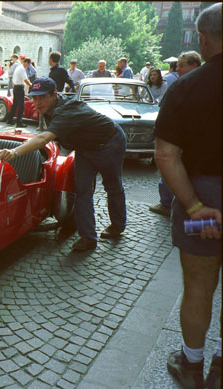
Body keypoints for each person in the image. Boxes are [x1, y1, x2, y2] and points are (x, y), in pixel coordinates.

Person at [155, 4, 221, 388]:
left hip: (200, 195)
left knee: (198, 285)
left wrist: (196, 206)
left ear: (203, 38)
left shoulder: (185, 86)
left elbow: (165, 155)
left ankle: (192, 366)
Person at [0, 78, 127, 251]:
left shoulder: (67, 110)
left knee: (112, 185)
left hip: (109, 143)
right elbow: (46, 136)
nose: (37, 103)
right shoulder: (50, 109)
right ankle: (88, 237)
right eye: (34, 98)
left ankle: (117, 225)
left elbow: (44, 138)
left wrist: (14, 152)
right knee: (82, 191)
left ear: (54, 95)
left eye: (42, 97)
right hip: (84, 148)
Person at [148, 51, 202, 218]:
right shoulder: (190, 84)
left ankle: (169, 205)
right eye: (177, 66)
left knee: (170, 171)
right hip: (188, 143)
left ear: (194, 66)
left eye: (181, 66)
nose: (177, 69)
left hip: (183, 143)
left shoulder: (187, 86)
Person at [5, 56, 31, 128]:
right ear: (26, 63)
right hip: (19, 88)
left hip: (16, 87)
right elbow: (25, 80)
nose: (28, 66)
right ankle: (19, 122)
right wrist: (31, 85)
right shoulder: (22, 69)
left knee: (15, 104)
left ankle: (10, 119)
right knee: (21, 106)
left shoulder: (18, 68)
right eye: (28, 64)